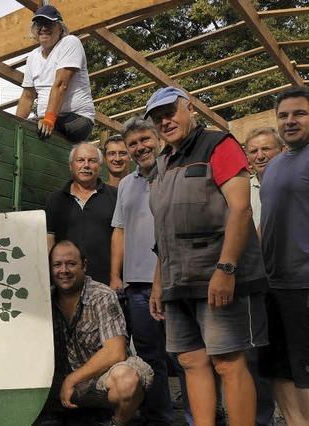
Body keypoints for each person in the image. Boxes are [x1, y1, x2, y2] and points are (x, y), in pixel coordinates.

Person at [146, 87, 268, 426]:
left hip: (219, 276)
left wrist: (226, 269)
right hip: (177, 282)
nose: (164, 121)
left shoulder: (218, 144)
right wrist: (159, 283)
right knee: (190, 362)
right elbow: (163, 231)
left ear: (189, 108)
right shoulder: (161, 164)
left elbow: (241, 209)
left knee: (228, 362)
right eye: (157, 118)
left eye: (170, 112)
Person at [46, 240, 153, 425]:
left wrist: (72, 379)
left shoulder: (102, 295)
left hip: (98, 382)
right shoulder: (44, 299)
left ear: (84, 266)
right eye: (57, 265)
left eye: (71, 264)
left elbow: (115, 351)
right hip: (58, 386)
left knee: (127, 381)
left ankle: (116, 422)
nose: (64, 270)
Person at [110, 117, 173, 425]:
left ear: (158, 138)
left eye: (145, 140)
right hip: (137, 285)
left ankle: (203, 414)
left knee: (190, 354)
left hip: (175, 279)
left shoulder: (174, 170)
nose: (139, 147)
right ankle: (159, 417)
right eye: (132, 143)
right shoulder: (126, 184)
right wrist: (115, 275)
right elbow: (119, 231)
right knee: (150, 358)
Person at [259, 86, 309, 426]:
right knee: (278, 367)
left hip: (305, 282)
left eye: (299, 114)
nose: (290, 121)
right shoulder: (274, 164)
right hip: (272, 283)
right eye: (283, 115)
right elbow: (268, 222)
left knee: (305, 368)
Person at [15, 5, 95, 142]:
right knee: (26, 129)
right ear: (34, 30)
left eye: (49, 23)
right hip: (47, 120)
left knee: (36, 130)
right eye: (39, 24)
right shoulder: (33, 57)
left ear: (60, 28)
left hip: (77, 119)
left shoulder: (70, 42)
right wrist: (14, 124)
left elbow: (61, 84)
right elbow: (27, 96)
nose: (44, 28)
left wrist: (49, 119)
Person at [45, 142, 117, 285]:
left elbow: (120, 240)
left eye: (92, 161)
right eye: (80, 160)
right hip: (66, 283)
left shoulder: (115, 197)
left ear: (100, 166)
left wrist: (116, 277)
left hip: (105, 284)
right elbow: (49, 240)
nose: (86, 165)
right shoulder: (55, 200)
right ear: (71, 166)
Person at [244, 127, 284, 227]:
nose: (260, 156)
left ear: (282, 150)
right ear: (247, 157)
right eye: (254, 151)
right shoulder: (243, 191)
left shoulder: (299, 183)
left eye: (266, 149)